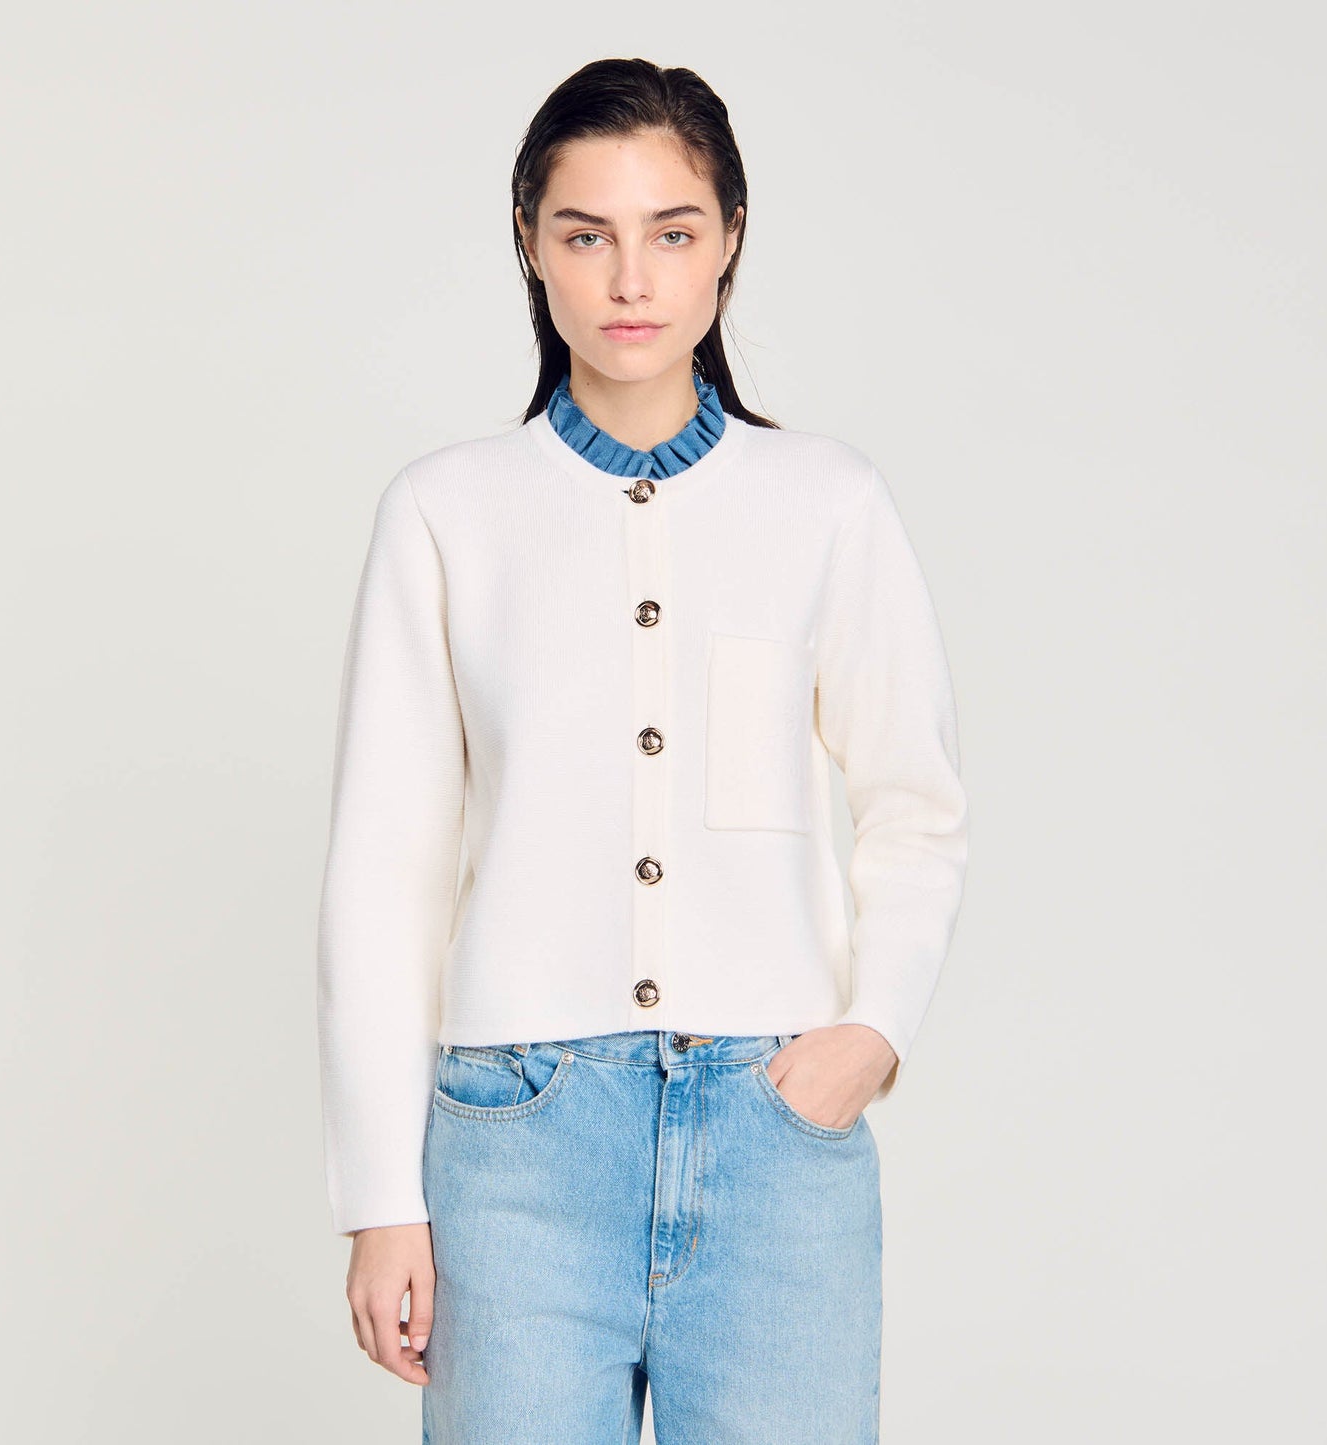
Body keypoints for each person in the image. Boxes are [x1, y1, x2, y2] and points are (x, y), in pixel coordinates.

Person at [316, 56, 969, 1443]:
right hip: (517, 1140)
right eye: (584, 234)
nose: (630, 279)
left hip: (774, 1137)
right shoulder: (447, 511)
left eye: (671, 232)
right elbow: (384, 871)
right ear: (528, 246)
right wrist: (380, 1195)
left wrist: (870, 1031)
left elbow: (915, 804)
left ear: (729, 239)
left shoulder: (826, 502)